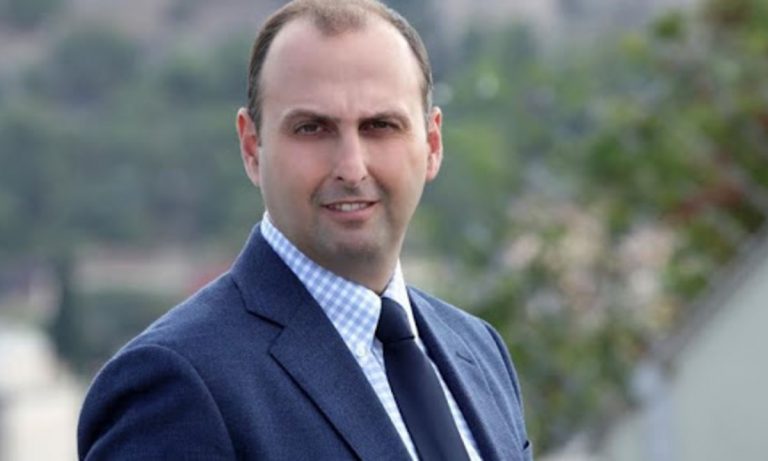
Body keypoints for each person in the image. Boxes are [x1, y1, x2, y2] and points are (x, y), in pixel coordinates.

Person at [77, 0, 532, 460]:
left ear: (432, 143)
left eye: (380, 126)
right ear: (251, 147)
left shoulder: (479, 352)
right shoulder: (176, 384)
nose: (351, 167)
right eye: (312, 128)